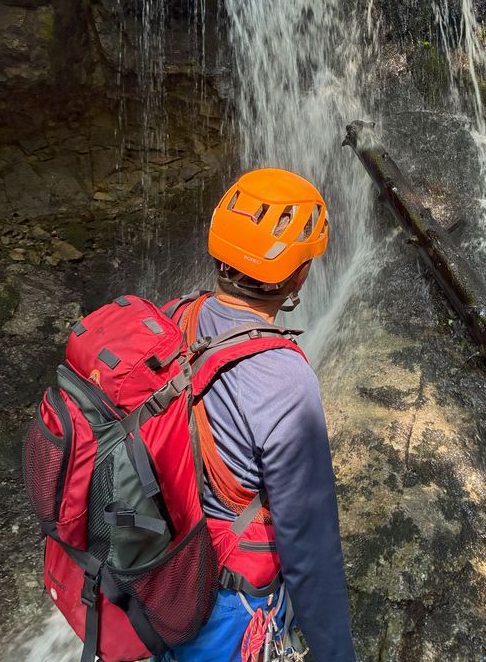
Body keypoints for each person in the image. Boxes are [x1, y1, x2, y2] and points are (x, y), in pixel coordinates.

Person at [160, 168, 357, 662]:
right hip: (223, 605)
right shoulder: (284, 381)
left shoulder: (176, 316)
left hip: (161, 576)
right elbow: (310, 549)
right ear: (296, 274)